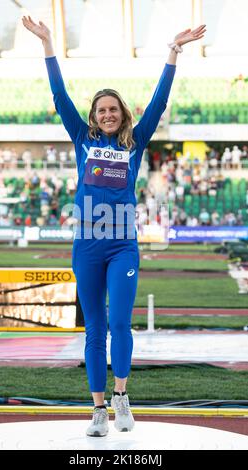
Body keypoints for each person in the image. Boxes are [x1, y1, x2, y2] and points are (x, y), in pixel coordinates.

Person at [22, 15, 206, 437]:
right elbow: (58, 94)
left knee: (120, 322)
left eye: (113, 109)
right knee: (95, 329)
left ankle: (122, 397)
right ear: (92, 117)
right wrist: (49, 43)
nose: (107, 114)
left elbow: (158, 103)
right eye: (101, 110)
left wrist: (173, 53)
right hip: (86, 243)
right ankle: (98, 410)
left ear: (122, 114)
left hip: (122, 243)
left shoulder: (135, 142)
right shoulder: (81, 138)